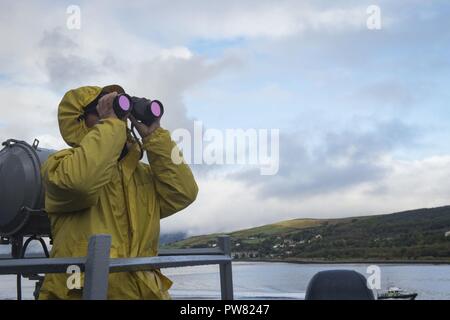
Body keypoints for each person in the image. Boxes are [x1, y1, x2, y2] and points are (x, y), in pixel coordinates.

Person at [38, 85, 198, 299]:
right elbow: (82, 183)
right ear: (79, 121)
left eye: (118, 113)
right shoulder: (59, 166)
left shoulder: (142, 176)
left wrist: (155, 136)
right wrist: (111, 123)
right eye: (102, 111)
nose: (119, 120)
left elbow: (184, 192)